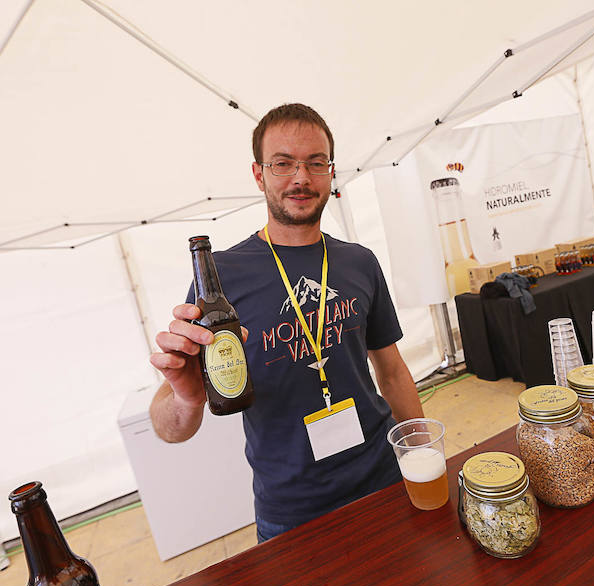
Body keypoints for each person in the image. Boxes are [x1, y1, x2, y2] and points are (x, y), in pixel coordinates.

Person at [148, 103, 423, 543]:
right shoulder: (219, 277)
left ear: (331, 173)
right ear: (259, 174)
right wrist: (187, 396)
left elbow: (391, 371)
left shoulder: (359, 262)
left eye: (316, 163)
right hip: (291, 511)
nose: (301, 177)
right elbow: (169, 429)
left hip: (383, 477)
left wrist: (422, 450)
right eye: (283, 163)